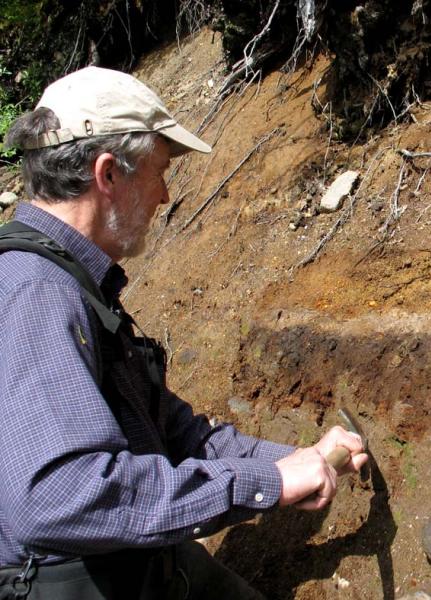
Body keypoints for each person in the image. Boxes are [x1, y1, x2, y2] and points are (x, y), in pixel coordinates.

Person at [0, 66, 368, 600]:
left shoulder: (72, 282)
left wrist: (293, 460)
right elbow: (63, 496)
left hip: (139, 559)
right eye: (160, 170)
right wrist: (264, 484)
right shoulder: (34, 294)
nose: (166, 195)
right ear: (108, 174)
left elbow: (174, 432)